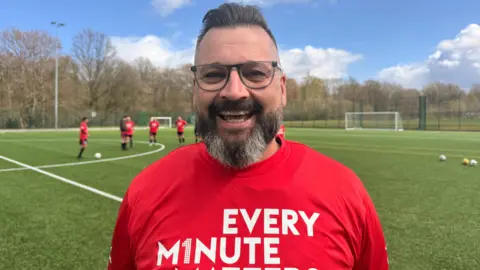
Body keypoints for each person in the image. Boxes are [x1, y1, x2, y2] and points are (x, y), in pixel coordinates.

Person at [107, 3, 389, 270]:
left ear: (282, 88)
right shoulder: (146, 191)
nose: (234, 91)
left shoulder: (345, 192)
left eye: (255, 73)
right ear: (195, 89)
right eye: (213, 74)